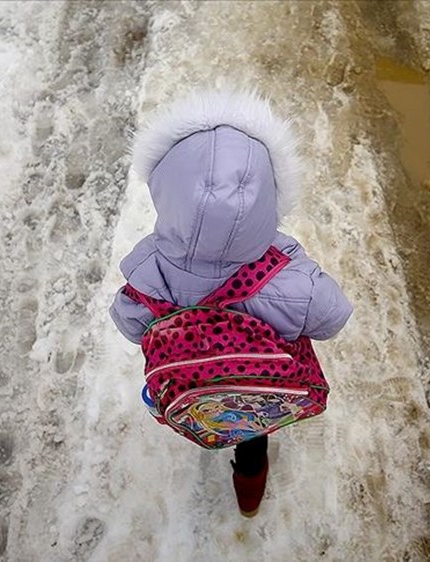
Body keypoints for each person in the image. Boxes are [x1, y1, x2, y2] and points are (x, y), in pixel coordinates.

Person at [109, 91, 353, 517]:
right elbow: (333, 316)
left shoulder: (149, 270)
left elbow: (129, 321)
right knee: (251, 434)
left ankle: (206, 423)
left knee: (208, 407)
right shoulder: (288, 280)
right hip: (254, 385)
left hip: (189, 384)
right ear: (270, 200)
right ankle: (249, 499)